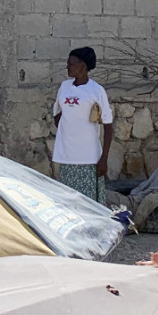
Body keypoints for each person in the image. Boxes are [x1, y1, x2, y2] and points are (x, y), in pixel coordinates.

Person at [51, 46, 114, 204]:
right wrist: (69, 131)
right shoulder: (64, 87)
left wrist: (104, 158)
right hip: (67, 156)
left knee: (88, 204)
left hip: (89, 158)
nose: (68, 66)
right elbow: (57, 115)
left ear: (83, 66)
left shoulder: (96, 90)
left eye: (71, 63)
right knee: (68, 203)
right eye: (67, 63)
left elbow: (107, 125)